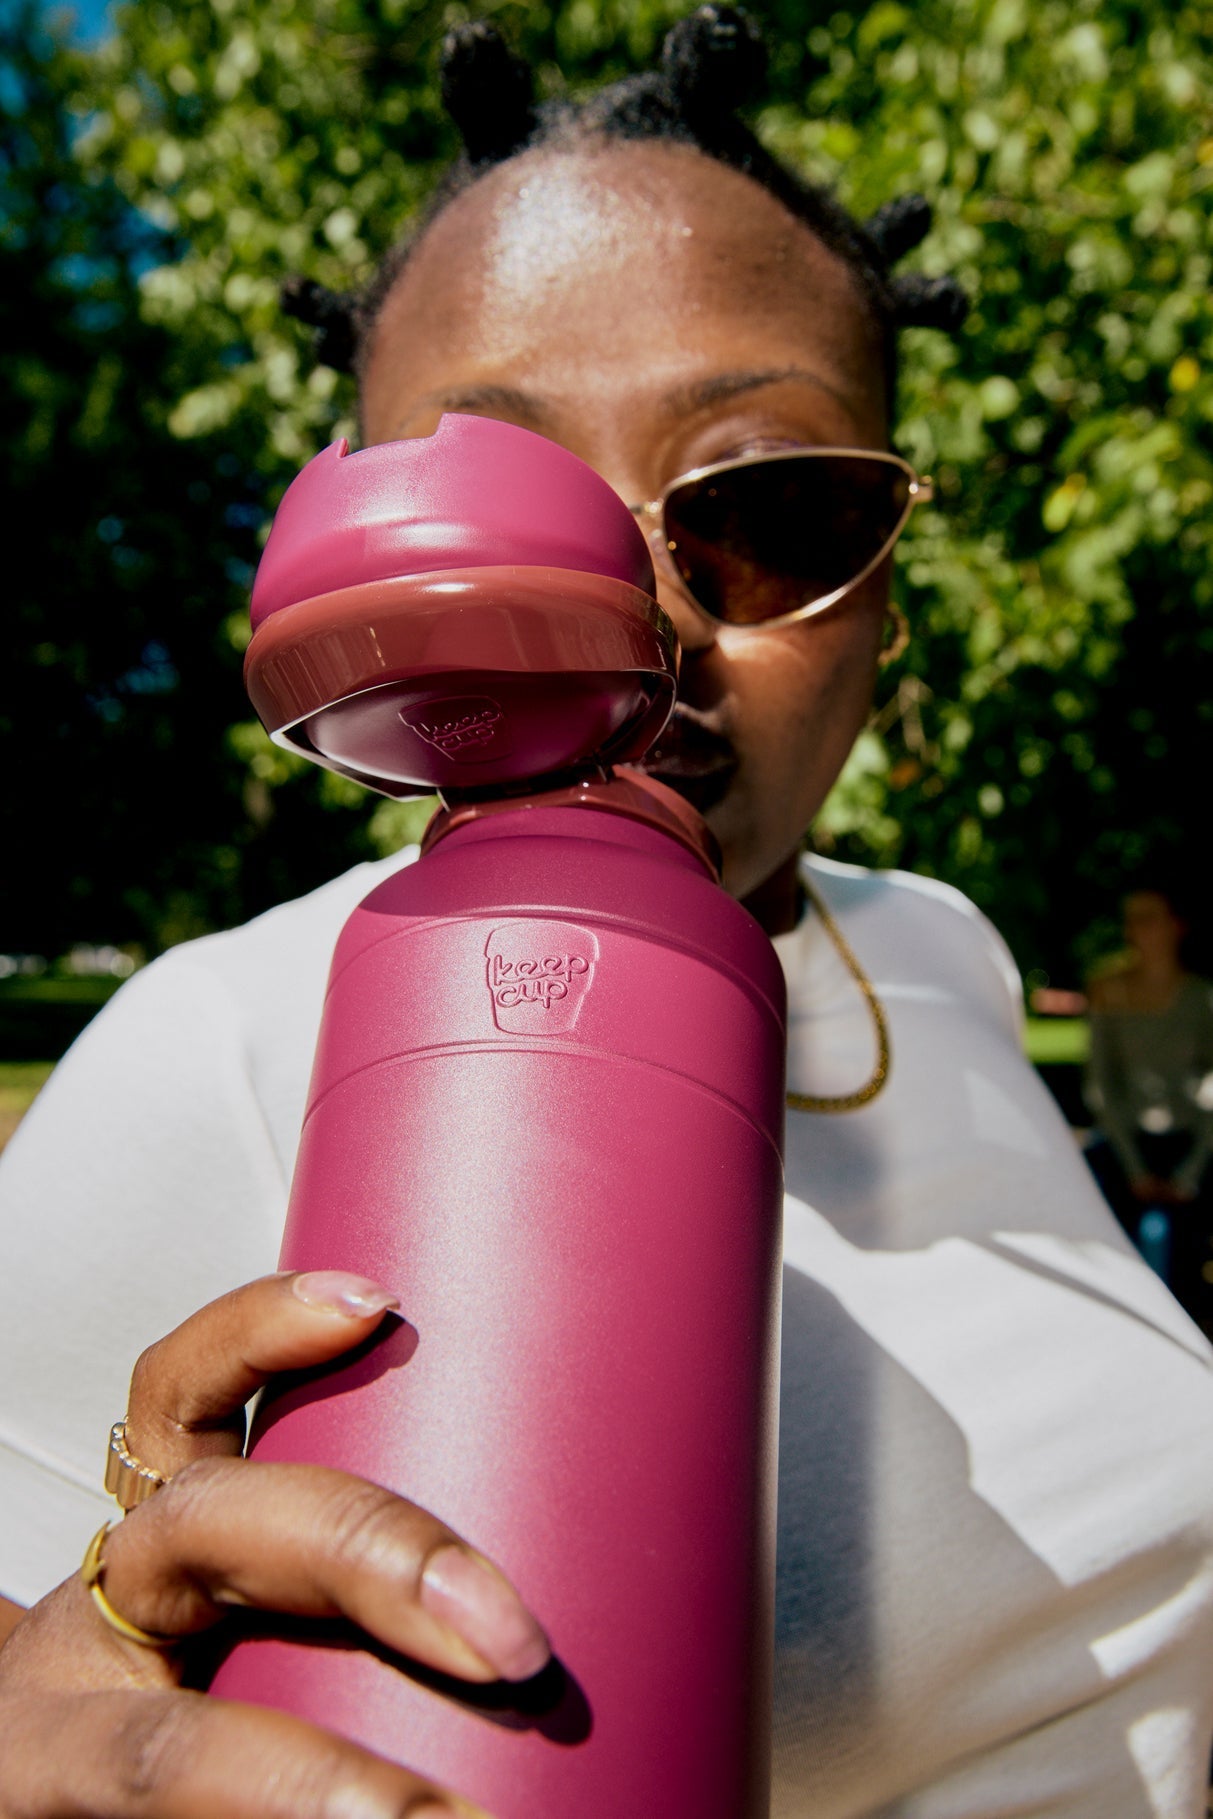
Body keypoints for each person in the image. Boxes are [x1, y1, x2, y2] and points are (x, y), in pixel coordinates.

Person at [2, 10, 1213, 1816]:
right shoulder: (234, 1034)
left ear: (886, 586)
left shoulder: (933, 945)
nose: (636, 618)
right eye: (505, 498)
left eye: (766, 510)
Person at [1085, 885, 1213, 1324]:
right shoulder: (1109, 990)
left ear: (1177, 926)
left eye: (1149, 917)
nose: (1137, 929)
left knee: (1188, 1262)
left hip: (1191, 1140)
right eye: (1132, 918)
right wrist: (1135, 1168)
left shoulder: (1199, 997)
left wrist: (1190, 1173)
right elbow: (1101, 1085)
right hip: (1126, 1141)